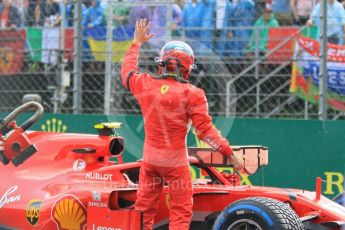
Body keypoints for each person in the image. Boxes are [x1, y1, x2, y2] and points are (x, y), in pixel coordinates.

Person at [121, 19, 244, 230]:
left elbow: (127, 72)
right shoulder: (193, 94)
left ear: (161, 62)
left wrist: (136, 43)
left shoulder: (145, 85)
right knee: (180, 210)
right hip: (175, 165)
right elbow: (205, 132)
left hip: (150, 162)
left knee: (143, 210)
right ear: (188, 67)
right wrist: (228, 152)